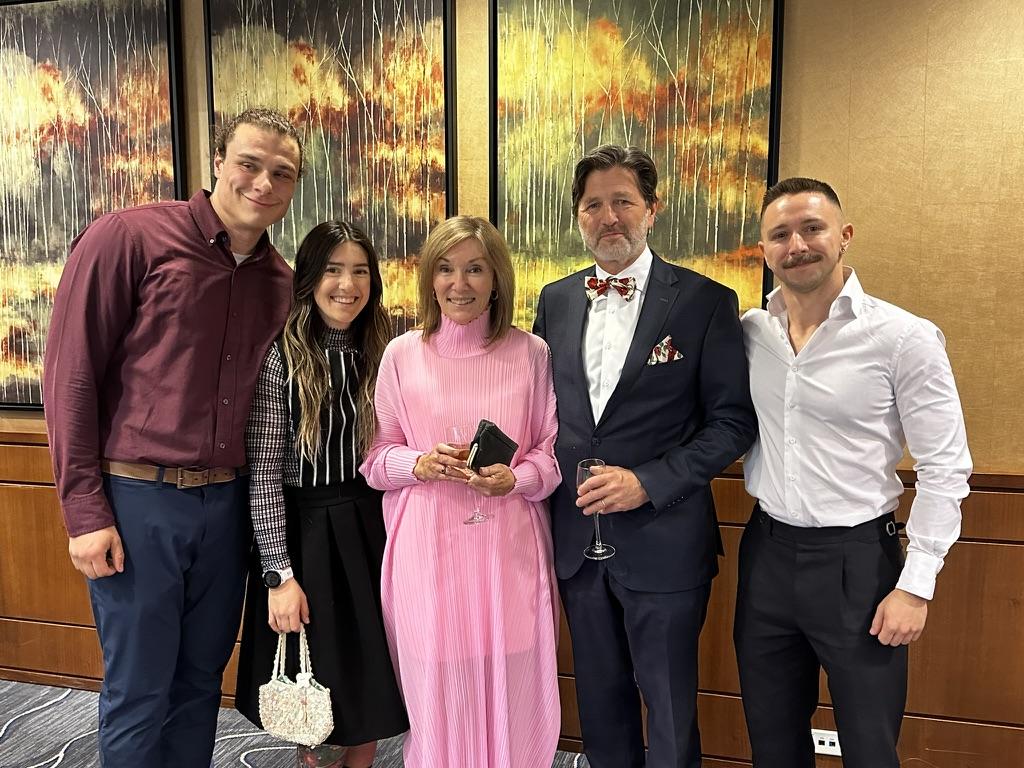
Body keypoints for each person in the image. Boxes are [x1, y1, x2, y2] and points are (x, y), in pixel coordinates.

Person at [42, 107, 301, 767]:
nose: (263, 183)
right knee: (139, 689)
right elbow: (71, 378)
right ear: (217, 161)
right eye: (249, 163)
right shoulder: (129, 238)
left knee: (199, 684)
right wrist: (84, 512)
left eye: (282, 173)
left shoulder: (281, 282)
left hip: (227, 507)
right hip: (139, 501)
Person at [533, 144, 757, 768]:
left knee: (670, 711)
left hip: (665, 541)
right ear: (578, 216)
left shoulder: (704, 302)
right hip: (576, 544)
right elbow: (544, 412)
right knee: (599, 709)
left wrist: (647, 482)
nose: (609, 217)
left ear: (652, 209)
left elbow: (733, 423)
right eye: (593, 205)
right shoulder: (555, 299)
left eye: (623, 202)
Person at [735, 177, 972, 768]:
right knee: (771, 744)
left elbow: (944, 467)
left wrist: (915, 586)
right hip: (765, 554)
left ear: (844, 236)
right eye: (780, 235)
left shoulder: (904, 338)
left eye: (812, 229)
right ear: (763, 251)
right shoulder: (749, 333)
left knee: (869, 748)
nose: (797, 245)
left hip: (859, 565)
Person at [359, 215, 561, 768]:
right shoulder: (402, 354)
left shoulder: (532, 353)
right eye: (445, 269)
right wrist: (419, 464)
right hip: (427, 553)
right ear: (429, 278)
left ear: (496, 279)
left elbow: (550, 454)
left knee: (514, 683)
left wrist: (515, 478)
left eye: (475, 269)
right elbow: (375, 459)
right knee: (437, 695)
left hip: (507, 551)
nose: (459, 283)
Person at [234, 221, 408, 767]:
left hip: (373, 524)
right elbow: (264, 476)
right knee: (317, 682)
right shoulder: (281, 359)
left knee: (371, 678)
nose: (347, 285)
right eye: (333, 270)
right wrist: (278, 576)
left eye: (360, 271)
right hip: (305, 532)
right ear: (309, 278)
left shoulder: (387, 351)